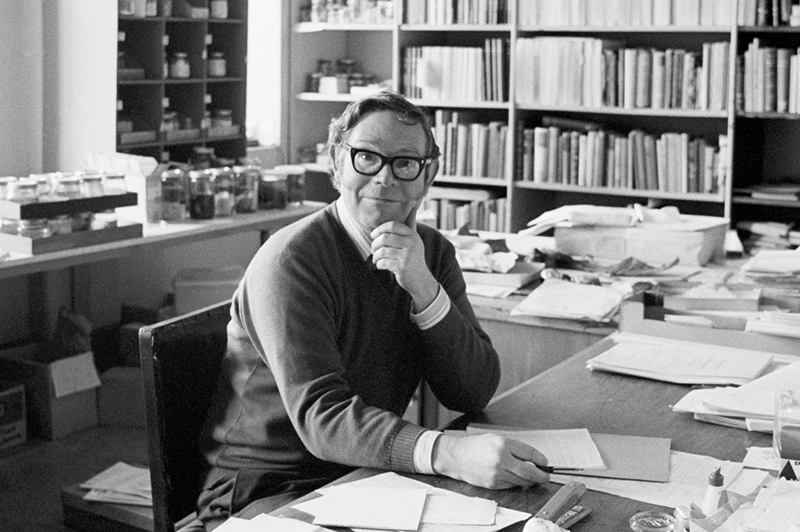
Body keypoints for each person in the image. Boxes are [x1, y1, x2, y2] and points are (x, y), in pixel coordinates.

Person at [196, 90, 550, 529]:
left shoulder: (432, 253)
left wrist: (423, 287)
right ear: (337, 164)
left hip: (365, 477)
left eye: (404, 163)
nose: (384, 179)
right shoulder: (292, 260)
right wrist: (446, 452)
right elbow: (322, 416)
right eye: (367, 157)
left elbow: (472, 392)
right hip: (264, 492)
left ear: (428, 174)